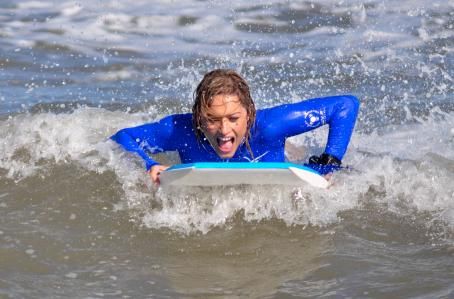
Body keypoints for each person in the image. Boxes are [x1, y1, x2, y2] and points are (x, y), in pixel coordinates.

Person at [111, 69, 359, 184]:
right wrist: (150, 164)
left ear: (249, 115)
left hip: (280, 155)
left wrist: (331, 161)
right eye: (212, 119)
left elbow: (345, 106)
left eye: (233, 118)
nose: (224, 131)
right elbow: (123, 137)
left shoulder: (270, 126)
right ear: (198, 117)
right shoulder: (181, 130)